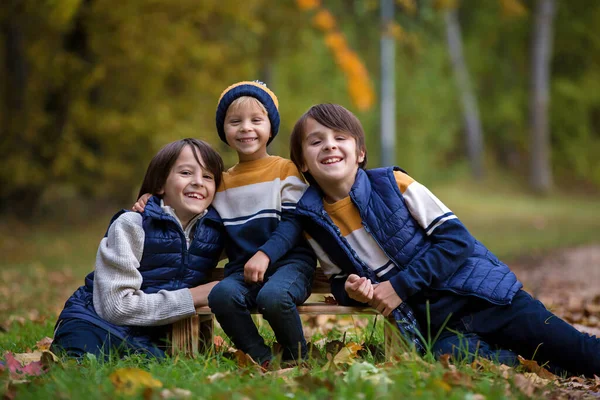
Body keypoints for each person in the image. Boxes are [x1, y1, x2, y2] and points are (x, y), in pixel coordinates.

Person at [289, 103, 600, 377]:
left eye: (339, 138)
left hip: (485, 298)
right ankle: (535, 363)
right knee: (455, 362)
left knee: (582, 353)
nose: (329, 146)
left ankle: (557, 358)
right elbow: (338, 280)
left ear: (360, 153)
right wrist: (352, 290)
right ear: (303, 162)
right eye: (316, 141)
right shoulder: (315, 223)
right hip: (437, 328)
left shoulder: (393, 184)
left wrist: (399, 286)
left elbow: (457, 242)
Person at [134, 81, 316, 366]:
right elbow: (200, 217)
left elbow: (295, 222)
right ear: (225, 131)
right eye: (235, 121)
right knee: (222, 295)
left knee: (274, 296)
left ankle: (298, 359)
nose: (245, 127)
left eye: (256, 120)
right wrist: (153, 201)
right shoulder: (222, 181)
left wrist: (265, 254)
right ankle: (262, 359)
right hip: (243, 268)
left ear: (270, 128)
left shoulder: (284, 170)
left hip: (289, 263)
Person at [51, 138, 226, 360]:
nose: (199, 182)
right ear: (161, 184)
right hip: (93, 323)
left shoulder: (213, 234)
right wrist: (194, 297)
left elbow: (253, 234)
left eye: (208, 176)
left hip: (146, 338)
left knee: (157, 374)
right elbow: (115, 307)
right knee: (80, 366)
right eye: (186, 173)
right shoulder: (132, 225)